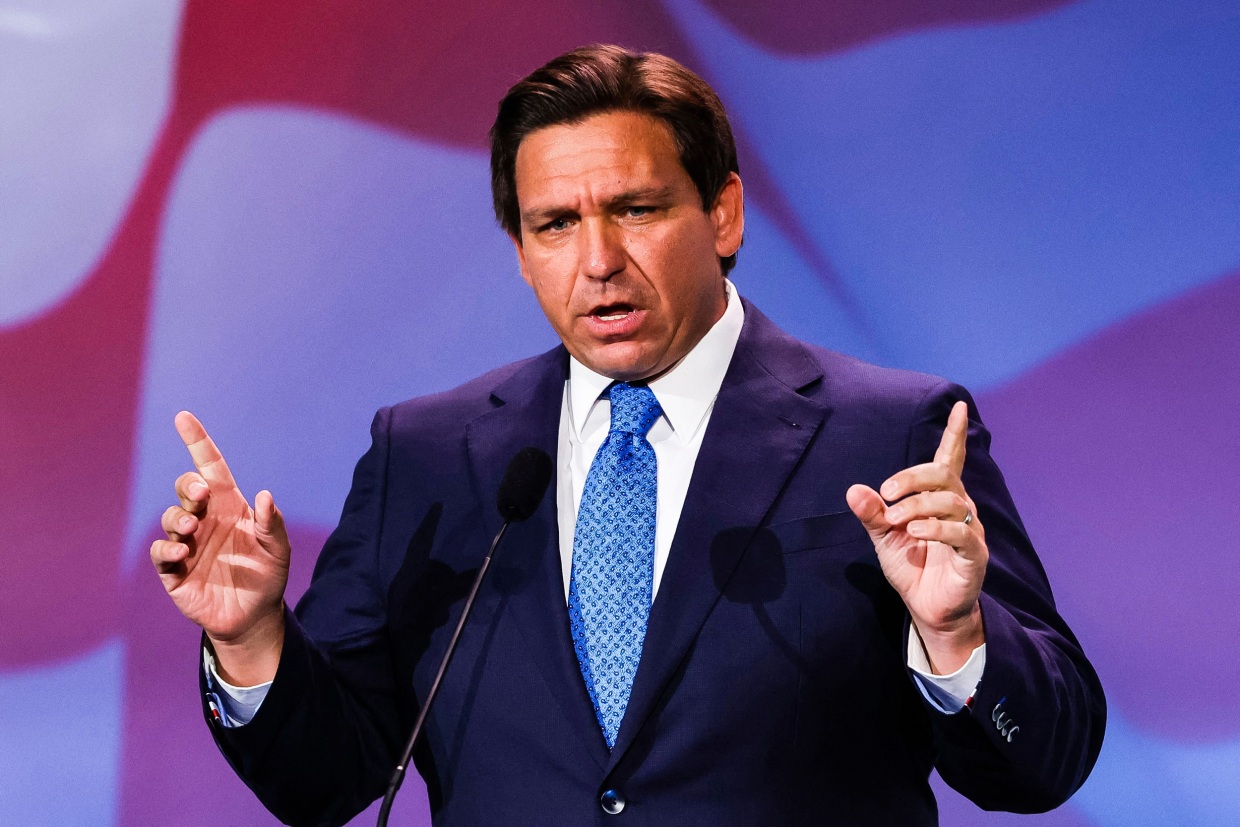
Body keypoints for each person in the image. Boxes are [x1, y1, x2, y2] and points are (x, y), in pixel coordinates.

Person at [151, 44, 1105, 825]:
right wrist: (250, 638)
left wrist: (955, 633)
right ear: (522, 252)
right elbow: (326, 779)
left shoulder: (891, 429)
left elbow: (1045, 762)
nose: (598, 261)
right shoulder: (430, 454)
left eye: (636, 210)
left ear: (722, 213)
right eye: (556, 224)